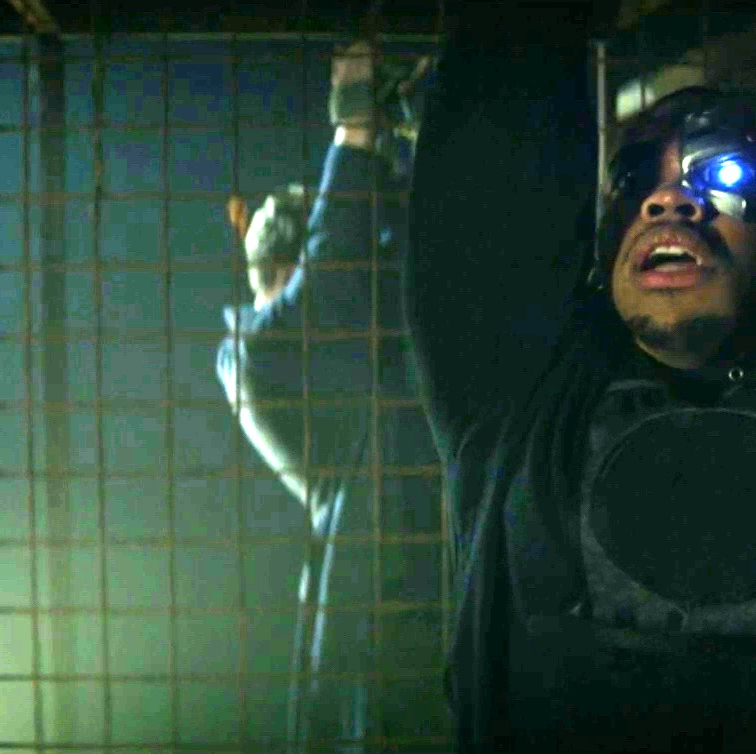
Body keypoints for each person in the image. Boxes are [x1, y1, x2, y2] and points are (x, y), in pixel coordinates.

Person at [407, 3, 756, 752]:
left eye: (722, 172)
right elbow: (501, 97)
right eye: (634, 177)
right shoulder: (519, 403)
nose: (670, 197)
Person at [216, 41, 439, 753]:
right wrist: (353, 128)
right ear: (291, 265)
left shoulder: (310, 349)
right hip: (379, 611)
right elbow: (338, 260)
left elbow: (369, 254)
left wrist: (410, 136)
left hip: (384, 592)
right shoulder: (258, 349)